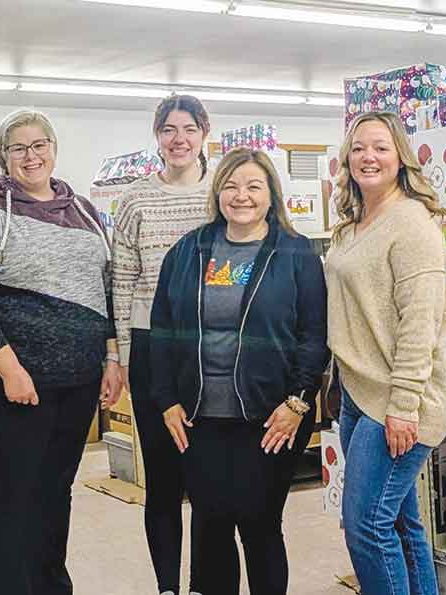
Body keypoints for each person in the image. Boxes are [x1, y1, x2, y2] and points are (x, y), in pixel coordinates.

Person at [0, 108, 122, 595]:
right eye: (18, 147)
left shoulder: (85, 212)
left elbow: (103, 291)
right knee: (10, 493)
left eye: (39, 144)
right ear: (3, 158)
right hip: (13, 384)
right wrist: (9, 368)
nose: (31, 155)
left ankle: (48, 585)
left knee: (55, 492)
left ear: (53, 149)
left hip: (78, 381)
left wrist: (110, 358)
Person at [149, 147, 329, 595]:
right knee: (210, 523)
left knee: (260, 522)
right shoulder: (189, 251)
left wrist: (297, 401)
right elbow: (162, 329)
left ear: (271, 194)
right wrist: (167, 399)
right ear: (217, 193)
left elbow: (314, 335)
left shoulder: (296, 253)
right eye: (230, 185)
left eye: (253, 186)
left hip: (272, 415)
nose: (241, 196)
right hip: (200, 415)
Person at [324, 111, 446, 595]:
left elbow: (421, 326)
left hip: (401, 398)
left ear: (401, 156)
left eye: (380, 147)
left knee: (365, 526)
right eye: (358, 147)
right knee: (400, 523)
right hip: (360, 392)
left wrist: (404, 407)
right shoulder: (353, 223)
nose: (368, 157)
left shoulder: (412, 226)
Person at [112, 94, 213, 595]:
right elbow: (124, 280)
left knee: (207, 479)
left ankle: (201, 584)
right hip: (152, 345)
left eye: (189, 129)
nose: (179, 139)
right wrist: (126, 358)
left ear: (204, 134)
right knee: (164, 479)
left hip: (211, 344)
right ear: (157, 136)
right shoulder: (134, 198)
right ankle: (168, 587)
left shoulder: (223, 191)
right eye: (169, 130)